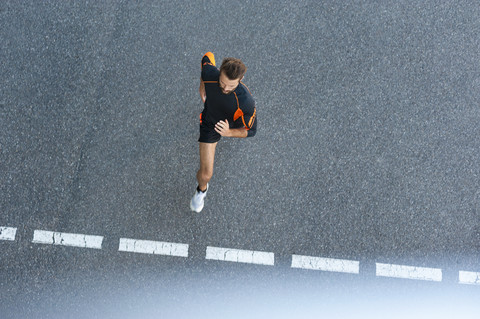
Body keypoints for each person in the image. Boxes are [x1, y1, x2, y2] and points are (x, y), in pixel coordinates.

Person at [190, 52, 257, 213]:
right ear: (219, 72)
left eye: (231, 86)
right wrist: (202, 85)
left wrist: (229, 132)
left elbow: (251, 131)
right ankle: (201, 191)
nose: (225, 88)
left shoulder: (246, 102)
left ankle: (226, 131)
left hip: (230, 124)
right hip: (210, 124)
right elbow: (207, 56)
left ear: (240, 80)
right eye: (222, 83)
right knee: (206, 175)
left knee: (240, 123)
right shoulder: (210, 74)